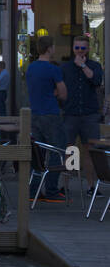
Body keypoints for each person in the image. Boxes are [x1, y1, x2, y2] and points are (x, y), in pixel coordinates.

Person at [26, 35, 69, 201]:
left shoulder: (31, 68)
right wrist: (56, 93)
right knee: (57, 151)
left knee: (38, 153)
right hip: (51, 113)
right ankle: (51, 189)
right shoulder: (53, 69)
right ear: (50, 48)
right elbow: (63, 94)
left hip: (35, 114)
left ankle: (33, 191)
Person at [60, 34, 105, 190]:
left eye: (82, 48)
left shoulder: (94, 65)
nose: (79, 51)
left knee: (90, 150)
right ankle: (65, 187)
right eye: (77, 48)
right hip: (70, 113)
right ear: (73, 48)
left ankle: (92, 186)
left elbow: (96, 81)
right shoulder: (65, 67)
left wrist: (83, 66)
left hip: (89, 114)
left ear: (88, 49)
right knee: (69, 149)